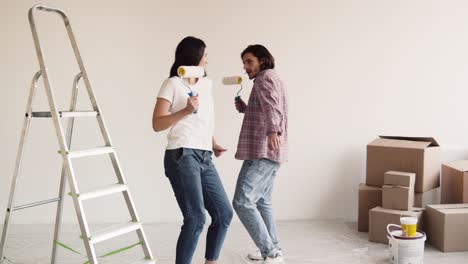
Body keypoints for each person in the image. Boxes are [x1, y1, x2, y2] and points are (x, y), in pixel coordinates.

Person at [152, 36, 233, 264]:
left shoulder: (207, 84)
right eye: (204, 55)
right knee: (196, 218)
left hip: (204, 155)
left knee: (223, 214)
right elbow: (157, 123)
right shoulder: (172, 84)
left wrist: (212, 143)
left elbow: (204, 120)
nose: (207, 60)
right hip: (181, 154)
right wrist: (185, 111)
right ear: (194, 56)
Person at [232, 44, 289, 264]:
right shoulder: (274, 79)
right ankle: (273, 248)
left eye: (249, 61)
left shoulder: (264, 79)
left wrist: (273, 130)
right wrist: (247, 108)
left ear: (262, 61)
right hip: (273, 151)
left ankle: (271, 253)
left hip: (264, 151)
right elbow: (267, 107)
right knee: (262, 201)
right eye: (244, 63)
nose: (246, 67)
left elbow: (273, 108)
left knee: (242, 201)